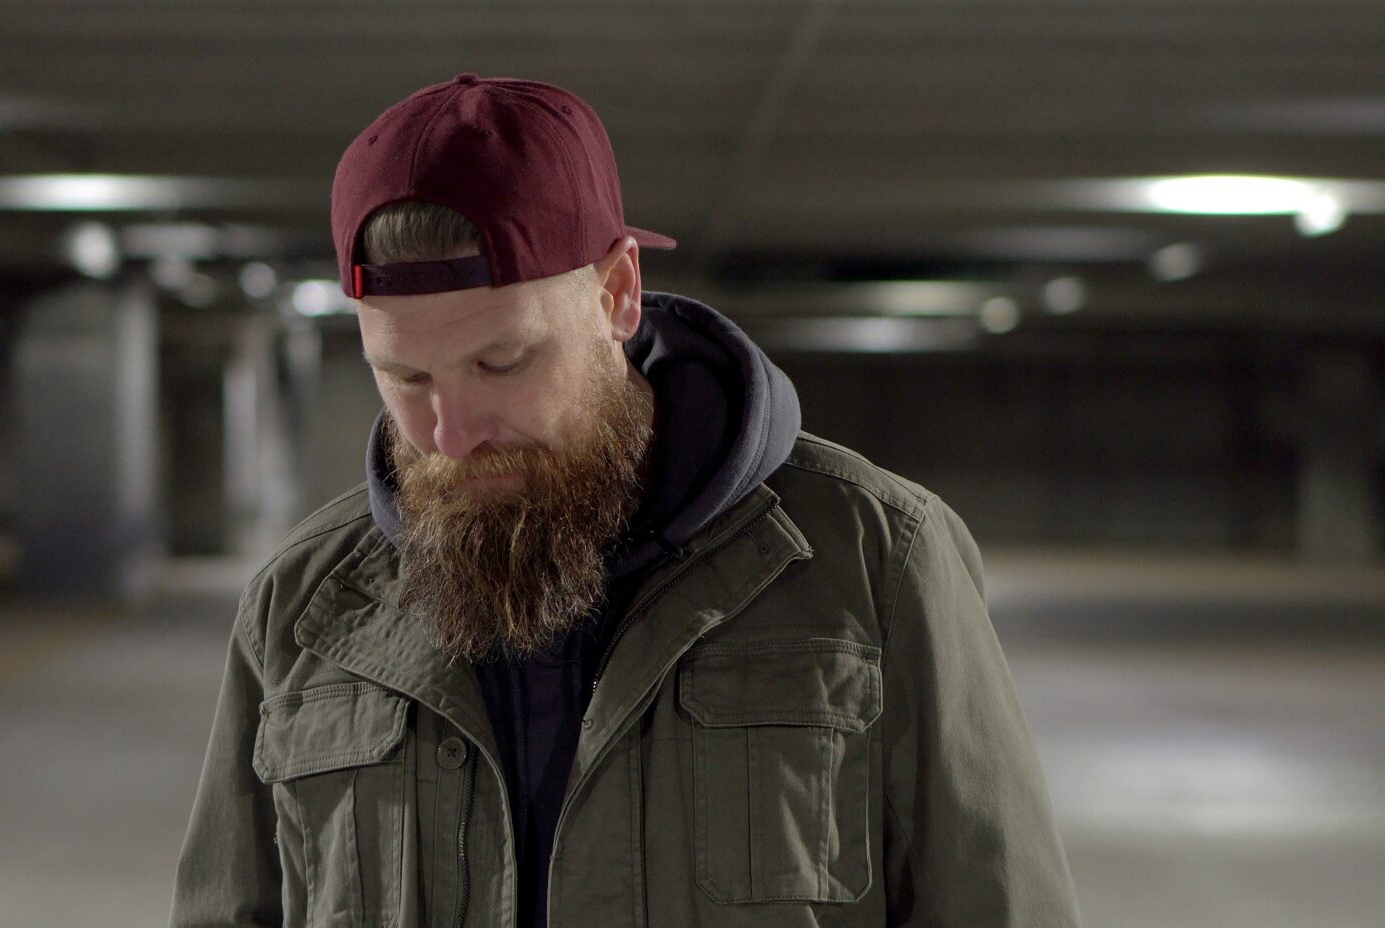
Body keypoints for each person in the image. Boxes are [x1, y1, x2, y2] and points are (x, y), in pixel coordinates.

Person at [171, 74, 1081, 928]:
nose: (451, 433)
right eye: (404, 376)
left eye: (502, 362)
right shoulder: (303, 607)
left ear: (617, 292)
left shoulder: (876, 560)